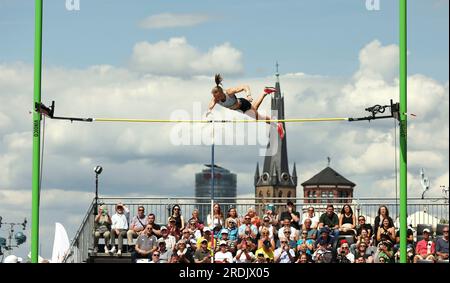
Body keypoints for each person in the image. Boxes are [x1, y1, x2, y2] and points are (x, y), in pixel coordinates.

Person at [207, 74, 280, 128]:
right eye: (215, 97)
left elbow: (245, 86)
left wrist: (248, 95)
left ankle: (277, 124)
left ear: (222, 92)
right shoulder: (215, 99)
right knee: (255, 109)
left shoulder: (229, 92)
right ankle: (265, 92)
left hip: (243, 104)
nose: (217, 98)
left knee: (258, 117)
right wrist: (209, 113)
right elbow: (210, 106)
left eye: (218, 96)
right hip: (238, 109)